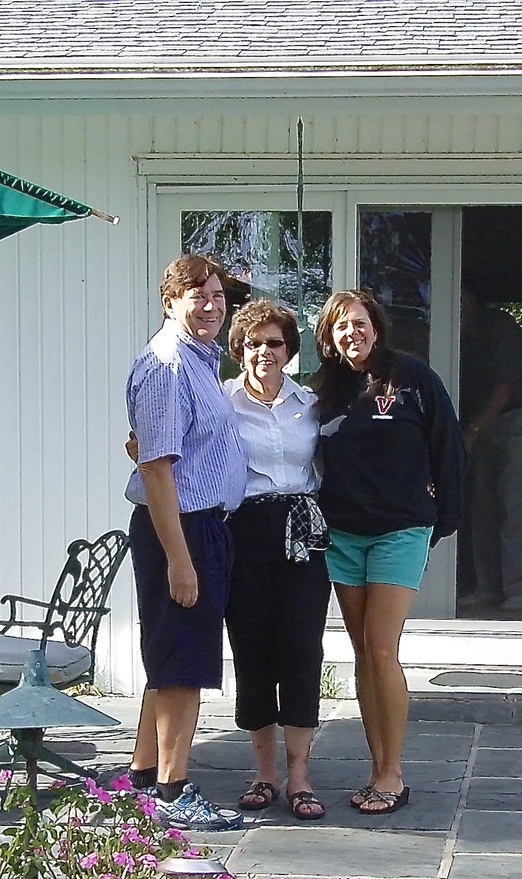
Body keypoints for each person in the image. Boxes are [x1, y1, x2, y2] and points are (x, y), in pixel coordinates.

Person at [311, 289, 464, 815]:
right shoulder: (324, 392)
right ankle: (375, 766)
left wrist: (444, 517)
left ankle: (392, 774)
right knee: (361, 655)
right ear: (328, 339)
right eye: (340, 327)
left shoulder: (411, 377)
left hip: (400, 531)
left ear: (376, 327)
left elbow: (448, 444)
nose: (351, 333)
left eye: (359, 323)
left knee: (381, 649)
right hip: (342, 535)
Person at [120, 254, 249, 831]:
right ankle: (174, 792)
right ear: (170, 302)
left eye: (219, 295)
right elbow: (156, 468)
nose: (213, 304)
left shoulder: (199, 361)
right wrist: (180, 558)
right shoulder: (169, 365)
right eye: (199, 295)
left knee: (173, 655)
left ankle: (143, 778)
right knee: (182, 664)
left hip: (202, 525)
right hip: (181, 529)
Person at [221, 299, 331, 821]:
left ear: (290, 350)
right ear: (239, 349)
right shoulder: (222, 403)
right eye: (254, 343)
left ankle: (300, 776)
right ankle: (264, 773)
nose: (265, 352)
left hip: (302, 532)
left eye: (276, 343)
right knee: (252, 649)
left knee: (302, 648)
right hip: (245, 528)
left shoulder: (309, 403)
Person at [457, 290, 522, 615]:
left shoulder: (497, 326)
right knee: (481, 508)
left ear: (471, 301)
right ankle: (487, 588)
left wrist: (473, 432)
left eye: (460, 302)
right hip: (477, 424)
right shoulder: (445, 330)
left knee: (515, 507)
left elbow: (504, 387)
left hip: (516, 420)